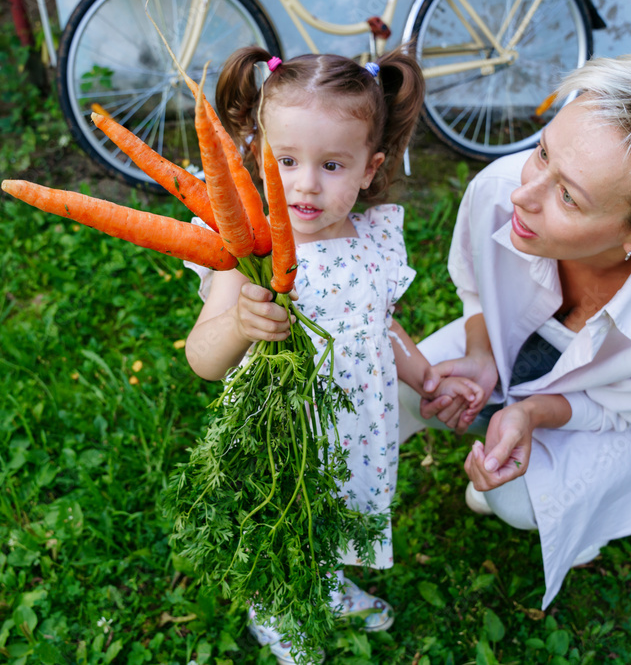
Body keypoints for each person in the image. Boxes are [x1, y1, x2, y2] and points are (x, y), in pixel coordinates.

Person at [400, 48, 631, 609]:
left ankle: (593, 518)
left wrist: (530, 412)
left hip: (630, 407)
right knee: (403, 387)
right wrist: (479, 353)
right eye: (543, 151)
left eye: (567, 195)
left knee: (523, 503)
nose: (524, 193)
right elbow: (474, 282)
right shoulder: (502, 190)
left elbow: (622, 408)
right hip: (512, 340)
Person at [183, 47, 480, 662]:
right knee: (283, 522)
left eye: (333, 164)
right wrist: (239, 322)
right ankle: (279, 610)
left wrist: (422, 373)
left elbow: (380, 325)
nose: (306, 183)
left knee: (334, 517)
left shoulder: (373, 240)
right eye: (285, 160)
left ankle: (326, 584)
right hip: (279, 435)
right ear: (254, 157)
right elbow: (203, 359)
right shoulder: (247, 254)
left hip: (354, 430)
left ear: (370, 169)